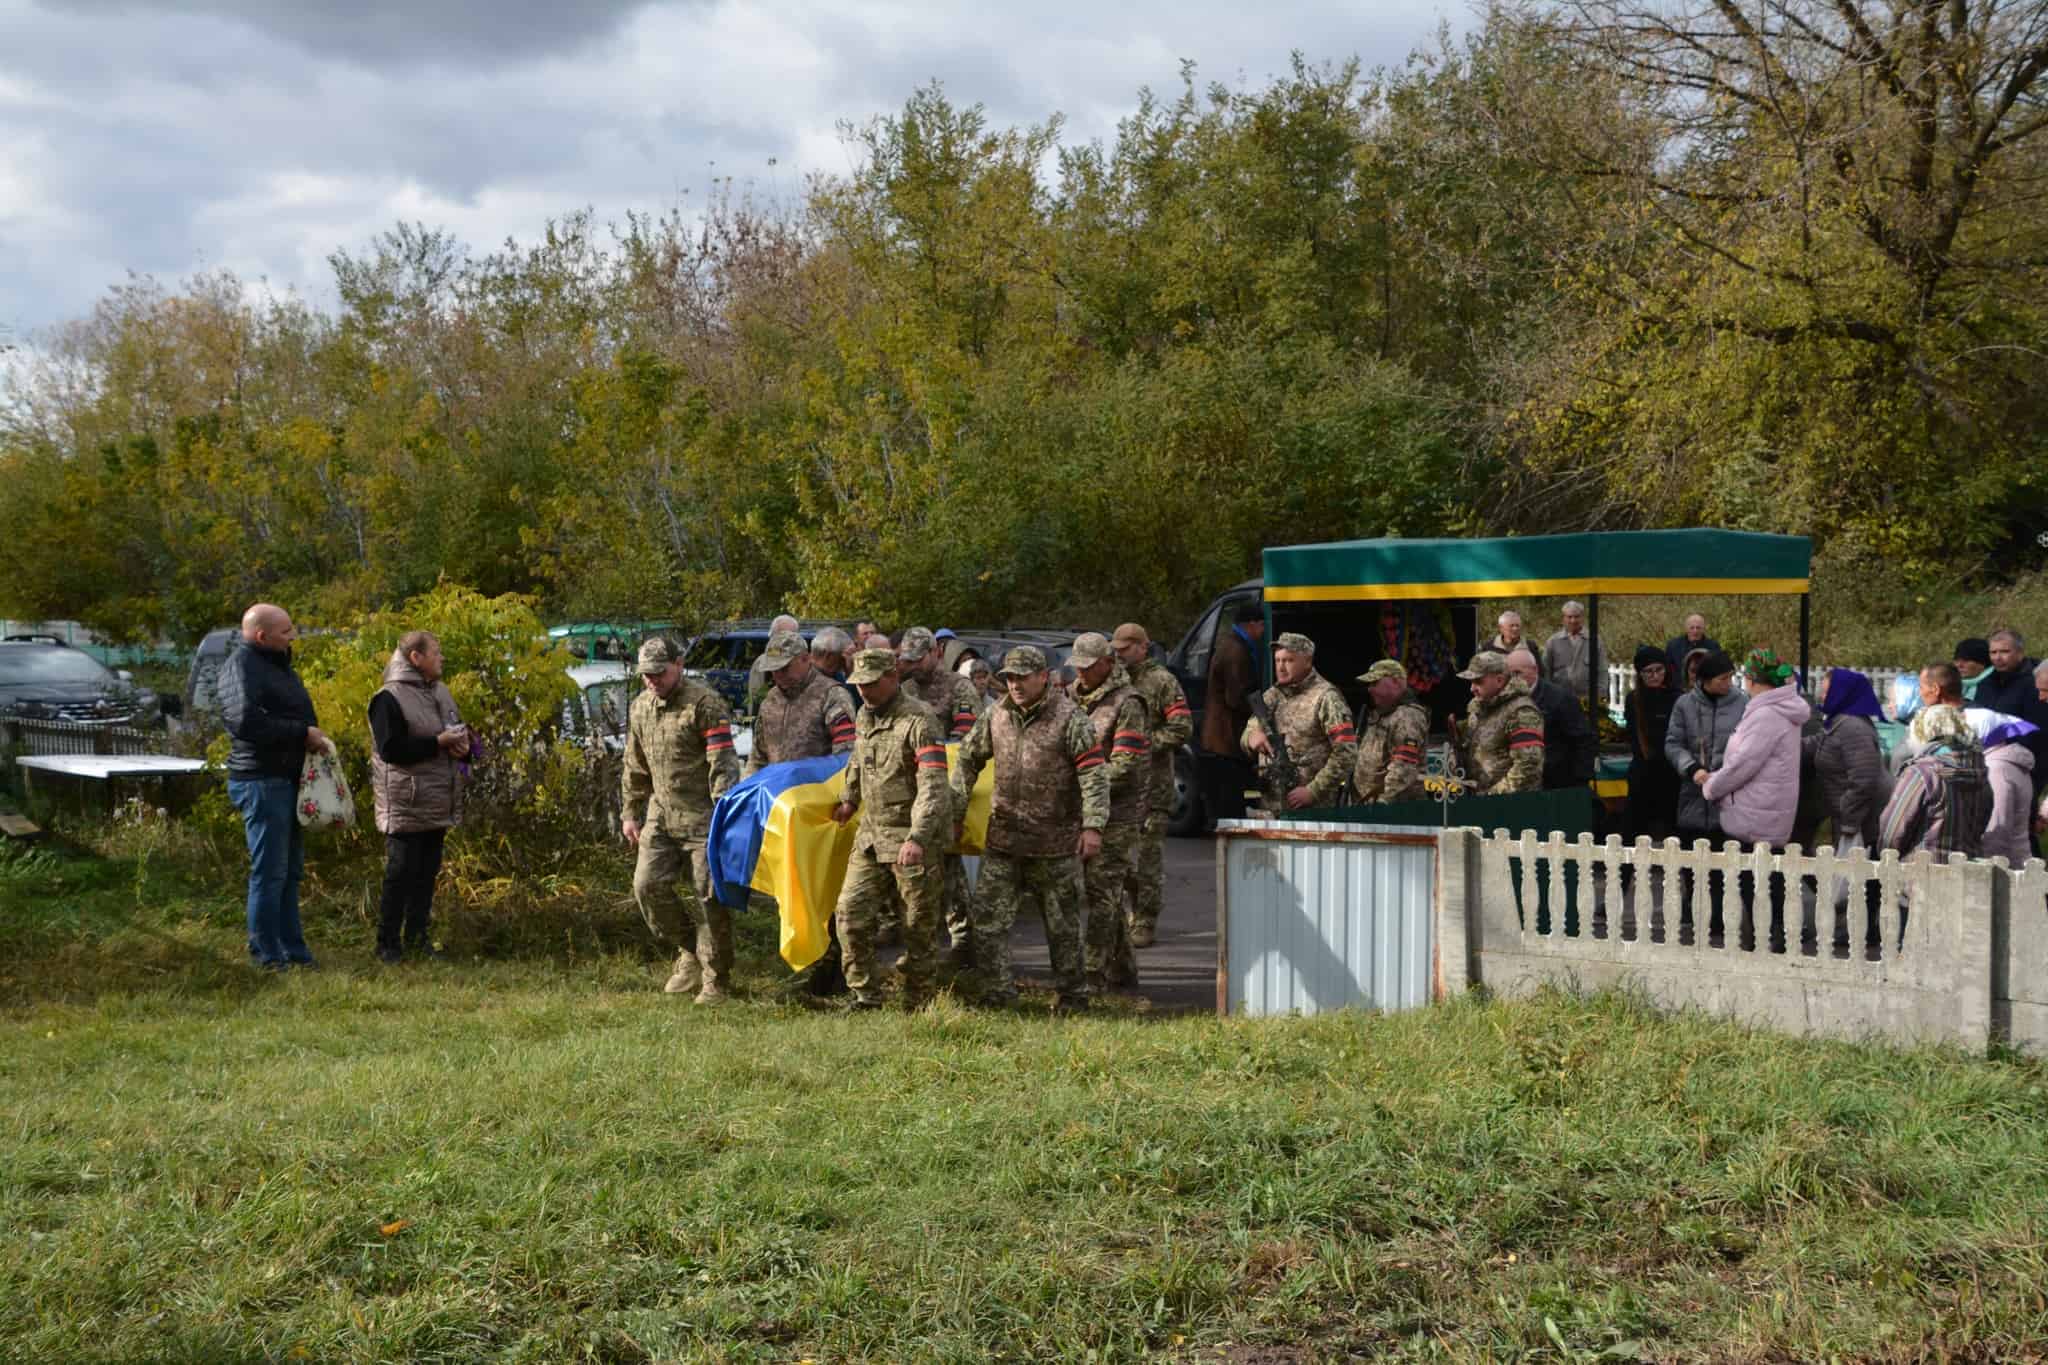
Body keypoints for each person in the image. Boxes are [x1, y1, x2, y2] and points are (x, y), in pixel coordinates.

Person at [950, 645, 1110, 1012]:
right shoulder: (995, 715)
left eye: (1023, 677)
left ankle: (1072, 998)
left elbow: (1094, 775)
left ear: (1044, 678)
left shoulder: (1071, 719)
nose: (1015, 685)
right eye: (1009, 678)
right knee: (987, 922)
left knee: (1063, 930)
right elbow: (967, 759)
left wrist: (1093, 826)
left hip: (1054, 846)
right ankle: (998, 995)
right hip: (1004, 841)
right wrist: (955, 811)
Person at [828, 648, 950, 1010]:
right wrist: (849, 798)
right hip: (871, 836)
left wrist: (918, 837)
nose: (863, 691)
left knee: (918, 927)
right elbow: (858, 759)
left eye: (871, 683)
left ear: (892, 677)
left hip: (910, 840)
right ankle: (865, 995)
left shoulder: (920, 720)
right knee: (849, 915)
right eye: (859, 684)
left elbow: (933, 785)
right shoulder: (865, 715)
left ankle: (919, 1000)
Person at [622, 637, 741, 1002]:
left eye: (659, 672)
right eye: (646, 675)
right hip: (661, 813)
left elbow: (723, 765)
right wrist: (630, 811)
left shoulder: (704, 704)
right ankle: (691, 951)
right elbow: (634, 763)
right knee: (647, 887)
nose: (653, 680)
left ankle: (716, 978)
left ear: (678, 663)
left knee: (709, 898)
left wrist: (724, 819)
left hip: (704, 815)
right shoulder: (640, 707)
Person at [220, 602, 329, 972]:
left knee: (290, 871)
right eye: (285, 632)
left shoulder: (278, 665)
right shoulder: (241, 666)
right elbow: (244, 721)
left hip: (288, 778)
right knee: (269, 872)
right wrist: (301, 732)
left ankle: (292, 948)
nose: (292, 636)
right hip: (262, 781)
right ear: (261, 635)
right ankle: (266, 953)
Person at [367, 630, 470, 964]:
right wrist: (437, 743)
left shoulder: (441, 692)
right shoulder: (388, 698)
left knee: (427, 874)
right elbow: (390, 749)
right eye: (436, 653)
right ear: (416, 658)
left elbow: (455, 730)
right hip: (406, 801)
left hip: (437, 799)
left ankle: (417, 939)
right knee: (401, 873)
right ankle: (387, 944)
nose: (442, 659)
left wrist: (468, 748)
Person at [1067, 633, 1150, 994]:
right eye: (1078, 667)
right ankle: (1124, 969)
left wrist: (1083, 783)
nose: (1081, 674)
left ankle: (1092, 973)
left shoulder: (1128, 702)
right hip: (1081, 809)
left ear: (1107, 663)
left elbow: (1126, 764)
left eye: (1088, 667)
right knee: (1105, 890)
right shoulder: (1071, 696)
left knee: (1102, 890)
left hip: (1118, 812)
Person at [897, 626, 987, 960]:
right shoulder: (904, 689)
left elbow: (966, 740)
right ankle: (914, 934)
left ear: (936, 653)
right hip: (910, 791)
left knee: (949, 866)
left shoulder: (959, 687)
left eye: (918, 658)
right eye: (907, 659)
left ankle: (963, 939)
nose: (913, 665)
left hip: (946, 785)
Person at [1112, 623, 1193, 949]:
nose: (1120, 654)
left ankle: (1145, 919)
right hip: (1118, 786)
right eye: (1116, 648)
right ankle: (1122, 912)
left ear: (1143, 647)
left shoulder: (1162, 681)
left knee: (1147, 858)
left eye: (1126, 648)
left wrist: (1145, 745)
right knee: (1117, 857)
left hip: (1153, 786)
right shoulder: (1113, 681)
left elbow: (1182, 727)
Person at [1700, 650, 1809, 850]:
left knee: (1754, 879)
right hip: (1769, 813)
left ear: (1752, 680)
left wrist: (1712, 786)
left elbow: (1743, 765)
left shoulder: (1766, 714)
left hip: (1755, 821)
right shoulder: (1782, 708)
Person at [1241, 631, 1357, 810]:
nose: (1281, 667)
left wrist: (1314, 791)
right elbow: (1248, 731)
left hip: (1313, 810)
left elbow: (1346, 752)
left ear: (1308, 662)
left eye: (1288, 660)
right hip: (1271, 806)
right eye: (1278, 660)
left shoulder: (1326, 698)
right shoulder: (1272, 696)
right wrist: (1251, 738)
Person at [1879, 704, 1991, 861]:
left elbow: (1892, 832)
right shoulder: (1980, 772)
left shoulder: (1921, 772)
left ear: (1924, 733)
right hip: (1967, 871)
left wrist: (1886, 854)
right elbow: (1981, 824)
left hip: (1922, 872)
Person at [1665, 648, 1747, 845]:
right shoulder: (1684, 704)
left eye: (1730, 677)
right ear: (1705, 680)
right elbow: (1673, 743)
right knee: (1691, 866)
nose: (1729, 683)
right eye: (1723, 679)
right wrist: (1691, 768)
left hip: (1729, 800)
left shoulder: (1744, 703)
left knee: (1725, 869)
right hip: (1693, 797)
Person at [1806, 668, 1888, 855]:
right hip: (1851, 819)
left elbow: (1864, 780)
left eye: (1828, 691)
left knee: (1859, 881)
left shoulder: (1853, 727)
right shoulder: (1839, 721)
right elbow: (1818, 742)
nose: (1822, 696)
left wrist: (1849, 820)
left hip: (1862, 825)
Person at [1200, 602, 1264, 822]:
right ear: (1252, 625)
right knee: (1231, 794)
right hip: (1227, 737)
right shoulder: (1236, 651)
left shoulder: (1232, 645)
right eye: (1262, 625)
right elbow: (1236, 696)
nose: (1263, 631)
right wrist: (1261, 718)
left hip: (1223, 736)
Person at [1456, 651, 1545, 795]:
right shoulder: (1480, 707)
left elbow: (1528, 768)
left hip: (1510, 807)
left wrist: (1491, 796)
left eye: (1478, 681)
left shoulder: (1521, 711)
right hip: (1481, 802)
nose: (1472, 688)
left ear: (1499, 680)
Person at [1505, 649, 1594, 791]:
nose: (1512, 679)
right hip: (1519, 782)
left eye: (1517, 673)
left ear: (1535, 670)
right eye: (1509, 674)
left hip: (1556, 783)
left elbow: (1583, 740)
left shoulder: (1560, 699)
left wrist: (1579, 782)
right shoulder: (1506, 699)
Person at [1975, 630, 2048, 793]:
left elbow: (2038, 729)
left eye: (2004, 651)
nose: (1997, 657)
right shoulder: (1985, 682)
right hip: (1986, 758)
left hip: (2028, 762)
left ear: (2020, 653)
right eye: (1993, 652)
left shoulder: (2037, 683)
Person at [1350, 659, 1429, 804]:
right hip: (1368, 806)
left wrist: (1383, 803)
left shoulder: (1407, 716)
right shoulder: (1382, 713)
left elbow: (1403, 768)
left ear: (1396, 682)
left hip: (1395, 811)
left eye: (1375, 683)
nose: (1370, 689)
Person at [1622, 646, 1680, 842]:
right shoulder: (1634, 699)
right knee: (1634, 827)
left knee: (1673, 828)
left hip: (1671, 770)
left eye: (1659, 670)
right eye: (1648, 672)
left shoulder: (1676, 697)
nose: (1655, 676)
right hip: (1643, 768)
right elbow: (1633, 736)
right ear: (1640, 674)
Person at [1982, 720, 2038, 865]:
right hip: (2019, 857)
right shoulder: (2009, 762)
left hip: (2006, 868)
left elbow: (1998, 825)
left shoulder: (1996, 769)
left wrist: (1988, 867)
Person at [1542, 601, 1606, 700]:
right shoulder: (1553, 642)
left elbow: (1602, 670)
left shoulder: (1594, 640)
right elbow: (1546, 672)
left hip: (1587, 700)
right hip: (1560, 699)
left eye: (1576, 616)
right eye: (1569, 617)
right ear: (1563, 618)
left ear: (1582, 618)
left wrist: (1600, 695)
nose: (1573, 620)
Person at [1482, 611, 1539, 676]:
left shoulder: (1530, 646)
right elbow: (1483, 673)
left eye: (1517, 625)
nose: (1515, 628)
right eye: (1511, 626)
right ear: (1501, 628)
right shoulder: (1489, 647)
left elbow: (1539, 672)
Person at [1664, 614, 1720, 679]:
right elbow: (1667, 669)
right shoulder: (1673, 645)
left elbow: (1718, 669)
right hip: (1679, 686)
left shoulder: (1713, 646)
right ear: (1686, 628)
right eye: (1692, 627)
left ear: (1703, 628)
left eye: (1698, 628)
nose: (1695, 631)